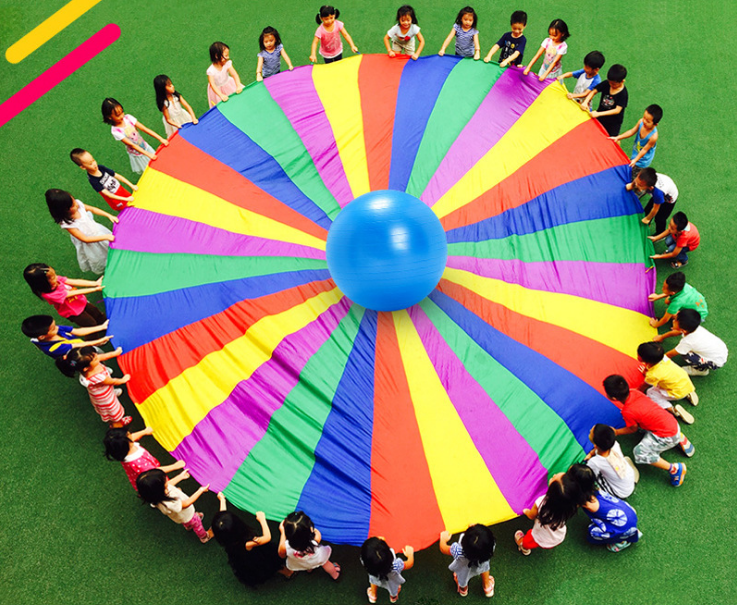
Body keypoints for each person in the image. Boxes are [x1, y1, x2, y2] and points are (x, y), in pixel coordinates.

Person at [604, 374, 691, 486]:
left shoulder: (628, 411)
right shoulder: (635, 392)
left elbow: (632, 429)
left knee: (639, 453)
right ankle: (678, 437)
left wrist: (616, 432)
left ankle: (674, 468)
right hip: (672, 424)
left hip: (666, 436)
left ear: (614, 398)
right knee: (646, 426)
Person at [212, 493, 293, 586]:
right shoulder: (247, 543)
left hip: (242, 560)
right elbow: (267, 537)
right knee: (271, 564)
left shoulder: (227, 539)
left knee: (262, 567)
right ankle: (288, 573)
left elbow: (223, 519)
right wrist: (262, 520)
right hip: (257, 558)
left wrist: (222, 500)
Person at [567, 464, 641, 552]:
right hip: (629, 514)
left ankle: (620, 541)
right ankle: (629, 530)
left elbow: (572, 503)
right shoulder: (596, 489)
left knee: (593, 532)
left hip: (622, 523)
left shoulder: (588, 504)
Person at [46, 188, 116, 274]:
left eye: (73, 200)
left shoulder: (78, 205)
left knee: (110, 247)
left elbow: (93, 209)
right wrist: (105, 237)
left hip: (98, 231)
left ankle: (115, 258)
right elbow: (85, 239)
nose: (76, 204)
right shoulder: (68, 224)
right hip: (91, 243)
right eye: (72, 206)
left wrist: (108, 215)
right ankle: (110, 267)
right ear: (63, 210)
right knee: (100, 255)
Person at [59, 345, 132, 427]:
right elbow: (113, 381)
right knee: (114, 416)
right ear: (86, 368)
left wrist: (115, 353)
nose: (98, 356)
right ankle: (117, 427)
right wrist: (123, 379)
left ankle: (112, 422)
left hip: (99, 397)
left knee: (109, 415)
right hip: (106, 400)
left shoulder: (86, 364)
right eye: (95, 358)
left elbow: (103, 357)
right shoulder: (97, 377)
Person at [136, 468, 213, 543]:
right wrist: (200, 491)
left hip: (180, 516)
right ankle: (204, 537)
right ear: (160, 488)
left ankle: (188, 526)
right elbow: (186, 503)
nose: (166, 479)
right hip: (188, 515)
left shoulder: (156, 495)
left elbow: (169, 484)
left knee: (185, 521)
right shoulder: (169, 502)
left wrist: (180, 477)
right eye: (164, 479)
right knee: (197, 524)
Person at [514, 472, 579, 555]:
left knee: (528, 540)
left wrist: (526, 511)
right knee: (545, 542)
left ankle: (524, 547)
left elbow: (531, 516)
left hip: (540, 537)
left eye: (554, 479)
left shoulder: (542, 502)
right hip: (558, 536)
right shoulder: (570, 505)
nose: (554, 474)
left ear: (552, 490)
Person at [23, 263, 105, 327]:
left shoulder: (55, 280)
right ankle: (93, 341)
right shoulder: (50, 295)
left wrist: (94, 283)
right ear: (42, 284)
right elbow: (72, 293)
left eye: (54, 275)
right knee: (90, 324)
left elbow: (73, 281)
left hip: (81, 302)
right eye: (52, 278)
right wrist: (94, 289)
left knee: (96, 313)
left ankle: (106, 324)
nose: (56, 278)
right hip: (73, 312)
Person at [101, 97, 169, 174]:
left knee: (158, 164)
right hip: (138, 154)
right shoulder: (115, 131)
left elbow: (144, 129)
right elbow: (132, 145)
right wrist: (148, 154)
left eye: (122, 112)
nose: (122, 116)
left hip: (145, 146)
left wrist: (160, 139)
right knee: (150, 171)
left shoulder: (128, 118)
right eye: (118, 115)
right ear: (109, 117)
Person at [103, 426, 185, 490]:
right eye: (129, 436)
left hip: (145, 475)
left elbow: (132, 437)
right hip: (150, 479)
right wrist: (175, 466)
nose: (132, 435)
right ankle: (164, 496)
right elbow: (155, 471)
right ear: (127, 444)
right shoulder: (137, 462)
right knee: (160, 487)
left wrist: (144, 432)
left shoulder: (123, 450)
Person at [638, 341, 698, 424]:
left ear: (640, 358)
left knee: (650, 393)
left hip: (677, 392)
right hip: (686, 383)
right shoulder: (664, 358)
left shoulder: (653, 374)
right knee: (673, 379)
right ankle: (688, 393)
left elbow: (643, 386)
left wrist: (637, 391)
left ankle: (673, 410)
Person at [277, 511, 340, 579]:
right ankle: (335, 575)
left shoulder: (284, 547)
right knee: (326, 563)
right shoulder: (315, 538)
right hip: (317, 559)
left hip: (301, 563)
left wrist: (282, 532)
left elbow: (282, 555)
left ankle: (309, 569)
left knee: (306, 562)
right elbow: (316, 532)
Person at [666, 309, 728, 377]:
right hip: (720, 351)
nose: (673, 321)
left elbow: (670, 354)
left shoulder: (688, 342)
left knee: (685, 354)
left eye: (675, 320)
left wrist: (657, 360)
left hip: (715, 362)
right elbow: (678, 332)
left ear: (683, 330)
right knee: (685, 349)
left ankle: (700, 370)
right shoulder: (694, 328)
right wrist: (662, 337)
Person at [70, 148, 136, 211]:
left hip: (121, 190)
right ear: (83, 167)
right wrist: (125, 199)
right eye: (90, 164)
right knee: (128, 211)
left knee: (135, 202)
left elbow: (116, 175)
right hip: (116, 200)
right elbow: (108, 195)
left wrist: (132, 185)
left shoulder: (101, 168)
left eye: (93, 160)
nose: (94, 164)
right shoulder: (93, 180)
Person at [648, 271, 708, 341]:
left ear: (673, 292)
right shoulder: (684, 285)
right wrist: (658, 296)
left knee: (679, 329)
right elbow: (672, 293)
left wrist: (656, 324)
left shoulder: (678, 301)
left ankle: (663, 337)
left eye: (664, 287)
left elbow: (665, 319)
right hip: (699, 307)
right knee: (667, 301)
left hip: (697, 316)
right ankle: (678, 315)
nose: (662, 289)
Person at [439, 525, 495, 598]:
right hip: (482, 564)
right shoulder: (490, 546)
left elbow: (443, 548)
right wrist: (476, 531)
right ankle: (487, 587)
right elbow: (480, 540)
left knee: (462, 578)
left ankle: (463, 590)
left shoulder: (458, 550)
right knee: (484, 570)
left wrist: (443, 539)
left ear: (463, 541)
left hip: (464, 569)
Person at [584, 424, 638, 498]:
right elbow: (597, 450)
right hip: (630, 478)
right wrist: (591, 453)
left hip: (620, 492)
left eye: (591, 432)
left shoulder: (595, 462)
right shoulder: (614, 444)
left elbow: (590, 476)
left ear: (595, 445)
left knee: (595, 479)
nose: (590, 430)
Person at [22, 315, 110, 358]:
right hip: (80, 356)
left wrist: (101, 327)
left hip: (83, 347)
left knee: (99, 354)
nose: (57, 327)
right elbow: (78, 346)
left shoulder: (55, 329)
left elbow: (77, 331)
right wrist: (98, 341)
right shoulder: (54, 348)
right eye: (53, 328)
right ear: (41, 337)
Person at [611, 104, 663, 173]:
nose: (644, 121)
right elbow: (632, 131)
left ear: (655, 124)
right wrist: (618, 137)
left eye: (648, 121)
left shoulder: (653, 137)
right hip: (636, 154)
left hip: (642, 162)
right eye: (644, 117)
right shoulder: (641, 122)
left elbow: (644, 150)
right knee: (629, 170)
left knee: (635, 176)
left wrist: (635, 160)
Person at [362, 537, 414, 603]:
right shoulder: (395, 566)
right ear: (390, 555)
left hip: (374, 575)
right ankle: (393, 597)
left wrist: (380, 542)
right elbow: (409, 563)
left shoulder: (366, 561)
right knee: (393, 588)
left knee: (373, 582)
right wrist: (410, 555)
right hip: (391, 581)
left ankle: (373, 595)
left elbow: (374, 554)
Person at [580, 64, 628, 136]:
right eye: (610, 82)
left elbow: (617, 110)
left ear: (622, 81)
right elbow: (593, 91)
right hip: (600, 116)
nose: (611, 85)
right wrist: (585, 102)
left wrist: (598, 114)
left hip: (613, 122)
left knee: (613, 139)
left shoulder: (623, 94)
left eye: (614, 84)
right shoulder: (607, 84)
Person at [627, 168, 678, 232]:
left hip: (668, 200)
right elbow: (637, 180)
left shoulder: (657, 193)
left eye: (640, 185)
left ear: (650, 188)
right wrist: (631, 186)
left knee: (660, 218)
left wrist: (648, 218)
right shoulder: (642, 177)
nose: (636, 185)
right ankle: (647, 224)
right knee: (647, 210)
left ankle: (660, 232)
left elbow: (655, 208)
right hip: (662, 189)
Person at [207, 41, 245, 107]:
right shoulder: (211, 71)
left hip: (229, 85)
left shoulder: (227, 64)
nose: (228, 57)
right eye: (226, 55)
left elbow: (234, 74)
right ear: (216, 56)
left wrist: (238, 85)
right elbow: (212, 84)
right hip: (217, 91)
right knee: (223, 105)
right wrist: (221, 95)